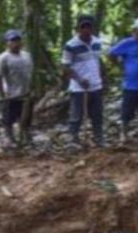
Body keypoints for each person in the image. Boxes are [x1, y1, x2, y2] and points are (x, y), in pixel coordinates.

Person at [61, 15, 106, 147]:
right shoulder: (71, 45)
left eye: (88, 27)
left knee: (97, 115)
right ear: (78, 28)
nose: (86, 30)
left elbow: (98, 61)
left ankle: (99, 138)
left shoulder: (97, 42)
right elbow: (65, 66)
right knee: (76, 116)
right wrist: (79, 80)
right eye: (83, 27)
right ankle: (73, 139)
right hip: (79, 88)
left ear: (92, 28)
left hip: (96, 85)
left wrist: (104, 78)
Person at [0, 29, 34, 146]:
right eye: (12, 41)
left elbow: (31, 73)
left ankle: (26, 136)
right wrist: (1, 94)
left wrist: (32, 89)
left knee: (26, 117)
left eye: (18, 40)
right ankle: (11, 138)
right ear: (7, 43)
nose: (16, 43)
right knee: (9, 118)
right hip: (11, 94)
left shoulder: (27, 56)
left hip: (26, 93)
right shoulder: (3, 57)